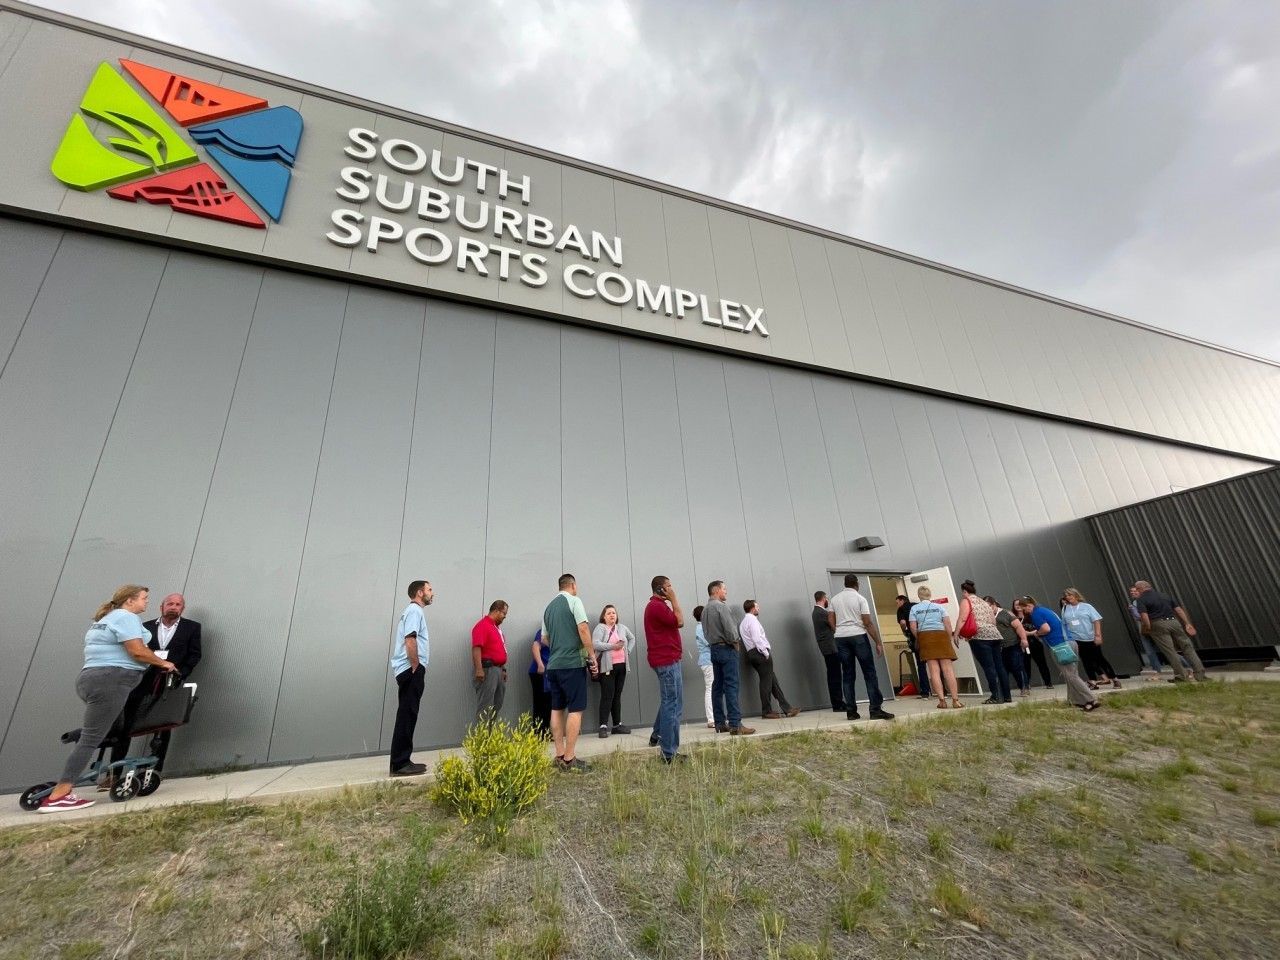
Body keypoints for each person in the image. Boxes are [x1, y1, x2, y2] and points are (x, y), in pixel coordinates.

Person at [37, 585, 178, 813]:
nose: (146, 602)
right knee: (92, 739)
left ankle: (83, 733)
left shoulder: (106, 618)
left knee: (116, 727)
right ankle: (60, 794)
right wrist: (164, 663)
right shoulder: (126, 617)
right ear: (130, 601)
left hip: (92, 678)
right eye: (144, 598)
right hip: (111, 681)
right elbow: (137, 651)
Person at [109, 592, 201, 774]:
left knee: (163, 726)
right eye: (170, 604)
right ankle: (113, 773)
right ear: (162, 607)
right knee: (127, 723)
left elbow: (195, 654)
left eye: (178, 604)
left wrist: (180, 673)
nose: (174, 607)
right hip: (142, 680)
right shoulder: (145, 627)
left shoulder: (192, 628)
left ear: (182, 608)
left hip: (170, 681)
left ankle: (153, 770)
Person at [542, 573, 597, 771]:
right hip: (572, 663)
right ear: (573, 585)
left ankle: (558, 754)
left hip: (554, 665)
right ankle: (569, 758)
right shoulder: (574, 601)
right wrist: (591, 655)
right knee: (575, 709)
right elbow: (583, 628)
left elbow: (544, 639)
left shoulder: (548, 609)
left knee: (556, 709)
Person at [1014, 596, 1099, 711]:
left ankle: (1091, 699)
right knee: (1071, 674)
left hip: (1060, 646)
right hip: (1070, 642)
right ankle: (1074, 700)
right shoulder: (1045, 610)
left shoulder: (1036, 614)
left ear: (1029, 606)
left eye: (1024, 609)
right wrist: (1031, 633)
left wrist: (1038, 634)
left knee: (1070, 675)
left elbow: (1046, 629)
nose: (1024, 612)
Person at [829, 574, 895, 721]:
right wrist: (878, 642)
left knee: (848, 675)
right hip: (858, 636)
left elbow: (830, 619)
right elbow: (867, 623)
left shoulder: (834, 599)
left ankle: (851, 712)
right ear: (857, 584)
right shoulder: (860, 599)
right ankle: (875, 710)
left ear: (845, 584)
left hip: (840, 638)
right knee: (869, 673)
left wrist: (838, 630)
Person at [390, 579, 433, 776]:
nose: (432, 593)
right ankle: (400, 764)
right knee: (408, 714)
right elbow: (410, 638)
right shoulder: (415, 610)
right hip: (411, 669)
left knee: (407, 714)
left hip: (409, 668)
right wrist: (415, 664)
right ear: (419, 592)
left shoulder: (412, 611)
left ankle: (402, 760)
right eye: (429, 590)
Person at [703, 581, 755, 735]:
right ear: (717, 590)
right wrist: (735, 642)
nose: (726, 591)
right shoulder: (721, 606)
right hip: (726, 648)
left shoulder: (705, 609)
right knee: (731, 685)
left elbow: (706, 632)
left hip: (714, 649)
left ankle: (719, 723)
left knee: (717, 686)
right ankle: (735, 724)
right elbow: (731, 629)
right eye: (724, 589)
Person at [644, 576, 686, 763]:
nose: (671, 589)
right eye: (669, 586)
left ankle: (657, 734)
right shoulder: (656, 606)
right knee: (673, 705)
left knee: (671, 701)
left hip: (670, 659)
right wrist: (674, 599)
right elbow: (680, 621)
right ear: (660, 589)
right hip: (666, 662)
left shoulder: (658, 606)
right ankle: (669, 753)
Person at [1132, 580, 1208, 683]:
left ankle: (1182, 676)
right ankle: (1200, 675)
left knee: (1170, 651)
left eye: (1137, 589)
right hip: (1174, 622)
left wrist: (1148, 627)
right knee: (1188, 647)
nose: (1137, 591)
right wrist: (1187, 623)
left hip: (1157, 624)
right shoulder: (1164, 595)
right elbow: (1179, 610)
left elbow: (1144, 616)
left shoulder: (1142, 599)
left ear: (1140, 589)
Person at [739, 600, 801, 719]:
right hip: (760, 653)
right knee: (766, 683)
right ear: (752, 608)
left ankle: (787, 709)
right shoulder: (752, 620)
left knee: (773, 682)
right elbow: (757, 638)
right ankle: (766, 711)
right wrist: (765, 652)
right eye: (757, 606)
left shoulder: (743, 622)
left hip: (752, 653)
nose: (759, 608)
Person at [957, 579, 1010, 704]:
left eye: (962, 592)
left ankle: (996, 696)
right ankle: (1006, 695)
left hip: (979, 636)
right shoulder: (984, 602)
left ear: (965, 591)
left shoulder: (966, 601)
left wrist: (956, 633)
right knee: (999, 666)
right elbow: (993, 621)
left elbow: (963, 618)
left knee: (989, 667)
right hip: (994, 635)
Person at [908, 586, 962, 710]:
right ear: (929, 595)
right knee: (948, 670)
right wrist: (948, 638)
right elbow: (947, 624)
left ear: (919, 596)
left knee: (934, 671)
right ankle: (955, 700)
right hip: (941, 636)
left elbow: (912, 627)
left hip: (925, 638)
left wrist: (920, 637)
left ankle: (942, 701)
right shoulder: (939, 607)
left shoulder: (914, 608)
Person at [1061, 588, 1120, 689]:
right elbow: (1064, 624)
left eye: (1070, 595)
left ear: (1076, 595)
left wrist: (1098, 635)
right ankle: (1092, 681)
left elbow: (1096, 620)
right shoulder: (1065, 608)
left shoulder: (1087, 606)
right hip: (1076, 638)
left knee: (1099, 659)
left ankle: (1114, 679)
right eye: (1067, 595)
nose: (1068, 597)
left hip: (1090, 637)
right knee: (1086, 660)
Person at [592, 604, 635, 738]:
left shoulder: (622, 627)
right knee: (607, 696)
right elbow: (595, 644)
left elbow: (632, 638)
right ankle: (603, 726)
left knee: (617, 696)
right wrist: (613, 646)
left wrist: (627, 651)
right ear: (604, 617)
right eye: (609, 613)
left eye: (614, 613)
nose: (612, 615)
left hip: (621, 667)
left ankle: (617, 725)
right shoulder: (600, 627)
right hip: (607, 668)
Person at [471, 600, 509, 724]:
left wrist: (503, 669)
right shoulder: (483, 625)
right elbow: (477, 647)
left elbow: (499, 651)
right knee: (485, 706)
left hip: (498, 670)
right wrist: (479, 669)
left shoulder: (496, 629)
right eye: (504, 613)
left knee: (497, 704)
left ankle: (489, 737)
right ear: (496, 610)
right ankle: (482, 740)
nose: (505, 616)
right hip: (487, 670)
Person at [986, 595, 1031, 697]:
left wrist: (1024, 639)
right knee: (1003, 669)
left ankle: (1024, 687)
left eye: (988, 606)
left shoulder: (1006, 613)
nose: (987, 609)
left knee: (1017, 666)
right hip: (998, 647)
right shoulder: (987, 616)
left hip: (1013, 644)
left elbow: (1018, 626)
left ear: (993, 605)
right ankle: (1005, 692)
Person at [812, 591, 846, 712]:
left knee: (834, 675)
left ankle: (838, 702)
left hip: (828, 648)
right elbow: (834, 625)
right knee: (835, 676)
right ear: (824, 598)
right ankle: (838, 704)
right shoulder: (821, 613)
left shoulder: (817, 612)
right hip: (830, 649)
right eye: (827, 598)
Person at [896, 593, 930, 699]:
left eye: (897, 602)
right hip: (928, 635)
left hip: (916, 638)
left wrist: (905, 632)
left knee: (921, 665)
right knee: (935, 663)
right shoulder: (917, 606)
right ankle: (943, 691)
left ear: (902, 600)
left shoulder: (901, 609)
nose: (897, 605)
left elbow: (902, 623)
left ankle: (925, 692)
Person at [692, 605, 714, 728]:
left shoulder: (703, 627)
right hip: (708, 661)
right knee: (710, 688)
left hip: (709, 661)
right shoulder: (701, 628)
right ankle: (711, 719)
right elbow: (710, 642)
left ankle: (714, 717)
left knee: (713, 688)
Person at [528, 629, 552, 735]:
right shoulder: (544, 631)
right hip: (540, 672)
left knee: (550, 703)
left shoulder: (558, 631)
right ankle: (538, 732)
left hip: (551, 673)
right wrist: (540, 664)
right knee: (541, 703)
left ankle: (545, 731)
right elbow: (535, 646)